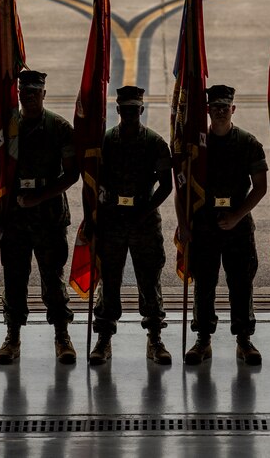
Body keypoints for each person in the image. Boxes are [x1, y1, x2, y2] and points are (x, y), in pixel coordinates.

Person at [0, 70, 80, 365]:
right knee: (14, 278)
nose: (30, 97)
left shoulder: (59, 128)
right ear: (19, 95)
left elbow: (72, 173)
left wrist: (40, 196)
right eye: (25, 93)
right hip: (13, 219)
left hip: (48, 216)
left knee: (53, 279)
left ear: (44, 95)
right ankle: (12, 337)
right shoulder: (6, 129)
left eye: (35, 93)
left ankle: (62, 335)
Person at [176, 84, 268, 365]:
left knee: (241, 284)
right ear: (207, 110)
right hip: (204, 226)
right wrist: (184, 225)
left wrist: (237, 216)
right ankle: (203, 340)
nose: (219, 111)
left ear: (233, 109)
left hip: (237, 227)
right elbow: (182, 189)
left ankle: (244, 340)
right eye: (214, 107)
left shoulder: (248, 143)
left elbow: (261, 187)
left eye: (224, 107)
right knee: (204, 285)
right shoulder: (197, 147)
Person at [89, 86, 173, 365]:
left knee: (150, 280)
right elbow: (93, 178)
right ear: (118, 111)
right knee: (109, 280)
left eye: (134, 109)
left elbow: (166, 185)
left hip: (144, 222)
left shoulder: (155, 142)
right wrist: (99, 213)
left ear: (141, 110)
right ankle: (103, 338)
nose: (129, 114)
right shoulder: (106, 142)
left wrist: (144, 211)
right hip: (112, 221)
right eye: (124, 109)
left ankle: (155, 338)